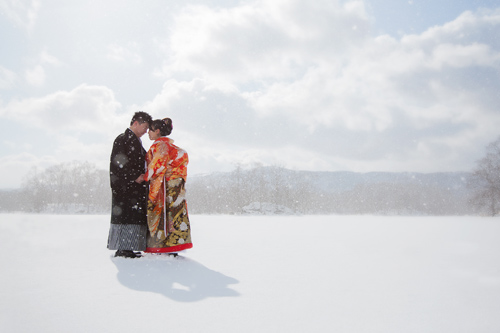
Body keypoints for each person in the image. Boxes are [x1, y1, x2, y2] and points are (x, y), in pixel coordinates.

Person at [143, 118, 193, 255]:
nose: (148, 133)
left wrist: (146, 176)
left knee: (164, 212)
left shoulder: (160, 145)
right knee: (176, 213)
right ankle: (174, 244)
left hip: (166, 184)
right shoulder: (172, 147)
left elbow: (157, 165)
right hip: (177, 183)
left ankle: (163, 245)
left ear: (158, 131)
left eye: (151, 130)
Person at [107, 111, 153, 258]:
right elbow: (118, 162)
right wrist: (134, 176)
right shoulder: (123, 139)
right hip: (125, 187)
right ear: (135, 123)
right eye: (145, 127)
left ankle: (130, 247)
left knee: (134, 215)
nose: (146, 132)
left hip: (135, 187)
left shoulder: (135, 141)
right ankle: (123, 248)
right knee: (126, 215)